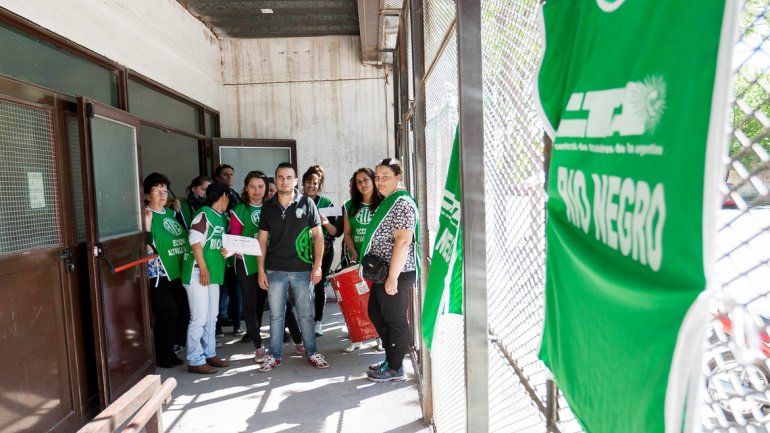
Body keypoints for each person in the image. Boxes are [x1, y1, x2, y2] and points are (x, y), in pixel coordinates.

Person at [256, 162, 330, 371]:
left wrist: (317, 266)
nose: (284, 181)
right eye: (280, 177)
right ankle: (274, 355)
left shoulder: (307, 203)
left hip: (302, 269)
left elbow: (318, 236)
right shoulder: (268, 207)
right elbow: (262, 240)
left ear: (295, 181)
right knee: (276, 315)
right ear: (275, 180)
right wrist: (261, 270)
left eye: (289, 177)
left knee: (306, 314)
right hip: (274, 269)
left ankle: (312, 352)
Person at [361, 158, 419, 382]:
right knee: (376, 313)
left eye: (385, 176)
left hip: (397, 272)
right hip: (384, 272)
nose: (379, 181)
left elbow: (403, 242)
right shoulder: (388, 201)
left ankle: (396, 369)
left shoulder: (402, 204)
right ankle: (391, 358)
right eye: (377, 176)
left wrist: (393, 278)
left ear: (398, 177)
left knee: (394, 320)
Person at [180, 182, 231, 374]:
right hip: (197, 272)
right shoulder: (203, 214)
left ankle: (209, 354)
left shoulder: (221, 218)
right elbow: (195, 241)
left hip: (212, 273)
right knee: (199, 317)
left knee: (212, 317)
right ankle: (195, 359)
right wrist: (202, 268)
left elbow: (216, 244)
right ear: (224, 196)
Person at [143, 173, 191, 368]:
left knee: (179, 313)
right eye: (157, 191)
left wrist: (178, 213)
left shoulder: (171, 213)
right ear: (147, 195)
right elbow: (145, 245)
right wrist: (146, 225)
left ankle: (171, 349)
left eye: (164, 191)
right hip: (159, 275)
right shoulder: (146, 215)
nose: (162, 195)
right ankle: (162, 355)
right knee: (167, 315)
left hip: (178, 271)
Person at [342, 167, 384, 352]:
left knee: (379, 301)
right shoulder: (349, 205)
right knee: (359, 300)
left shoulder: (384, 202)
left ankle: (380, 337)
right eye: (358, 182)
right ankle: (358, 337)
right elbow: (348, 234)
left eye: (365, 180)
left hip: (380, 261)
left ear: (373, 180)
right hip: (359, 261)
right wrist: (354, 254)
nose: (362, 184)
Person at [301, 165, 340, 336]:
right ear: (303, 183)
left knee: (319, 285)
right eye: (308, 182)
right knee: (301, 286)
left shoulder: (327, 204)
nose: (311, 186)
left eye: (315, 183)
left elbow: (335, 232)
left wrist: (326, 223)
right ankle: (303, 320)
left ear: (319, 185)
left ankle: (317, 322)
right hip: (301, 251)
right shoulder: (296, 201)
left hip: (323, 251)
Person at [214, 164, 242, 337]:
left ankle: (237, 323)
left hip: (233, 251)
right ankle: (217, 326)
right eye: (225, 175)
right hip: (216, 253)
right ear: (218, 177)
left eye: (231, 174)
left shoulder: (236, 195)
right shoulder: (214, 193)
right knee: (219, 292)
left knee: (235, 290)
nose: (229, 177)